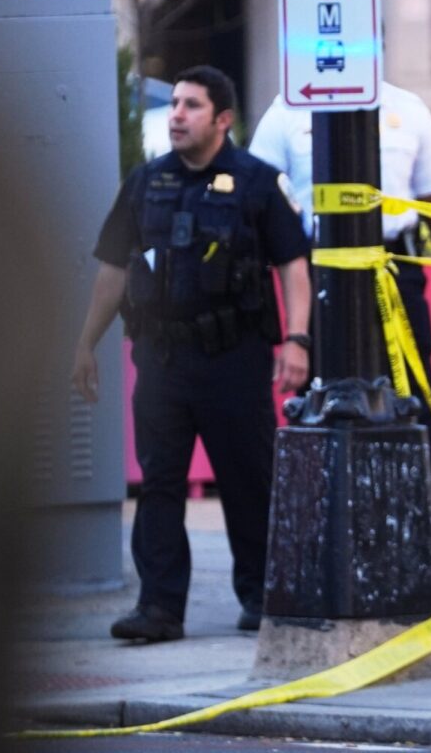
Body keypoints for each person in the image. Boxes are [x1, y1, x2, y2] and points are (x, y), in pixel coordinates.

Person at [71, 66, 311, 641]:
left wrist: (298, 340)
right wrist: (85, 343)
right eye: (175, 104)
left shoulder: (258, 183)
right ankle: (159, 608)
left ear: (223, 120)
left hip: (235, 356)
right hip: (162, 359)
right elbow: (111, 269)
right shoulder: (146, 183)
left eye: (192, 106)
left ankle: (259, 595)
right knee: (159, 486)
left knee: (248, 479)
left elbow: (292, 267)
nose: (177, 115)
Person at [249, 81, 431, 592]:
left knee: (415, 408)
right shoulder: (288, 110)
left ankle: (429, 556)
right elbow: (257, 201)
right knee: (323, 415)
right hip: (323, 273)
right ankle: (325, 554)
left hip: (396, 271)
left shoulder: (408, 107)